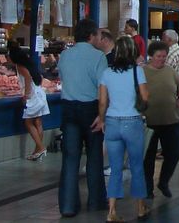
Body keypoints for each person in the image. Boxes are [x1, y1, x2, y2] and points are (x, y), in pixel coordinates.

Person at [94, 36, 150, 222]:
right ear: (133, 52)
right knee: (136, 166)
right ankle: (141, 207)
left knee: (115, 168)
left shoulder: (107, 73)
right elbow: (145, 96)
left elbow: (102, 102)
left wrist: (102, 120)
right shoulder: (137, 72)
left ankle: (112, 211)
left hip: (111, 122)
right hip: (132, 121)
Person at [57, 18, 108, 217]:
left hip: (69, 109)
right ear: (90, 36)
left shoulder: (64, 55)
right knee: (94, 156)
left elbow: (62, 78)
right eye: (97, 35)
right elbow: (102, 88)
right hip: (91, 109)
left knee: (70, 158)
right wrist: (102, 116)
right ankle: (95, 201)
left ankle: (68, 206)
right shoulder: (98, 57)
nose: (99, 39)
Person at [142, 40, 179, 200]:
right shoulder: (142, 72)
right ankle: (147, 188)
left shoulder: (169, 71)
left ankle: (164, 181)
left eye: (164, 56)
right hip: (150, 122)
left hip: (171, 120)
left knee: (175, 152)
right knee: (148, 157)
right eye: (159, 56)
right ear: (151, 56)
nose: (162, 59)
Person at [8, 41, 49, 161]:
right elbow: (39, 78)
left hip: (33, 96)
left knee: (28, 122)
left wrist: (26, 96)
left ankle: (41, 148)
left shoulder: (20, 67)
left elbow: (27, 78)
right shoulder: (30, 63)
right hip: (40, 93)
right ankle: (37, 151)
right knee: (37, 121)